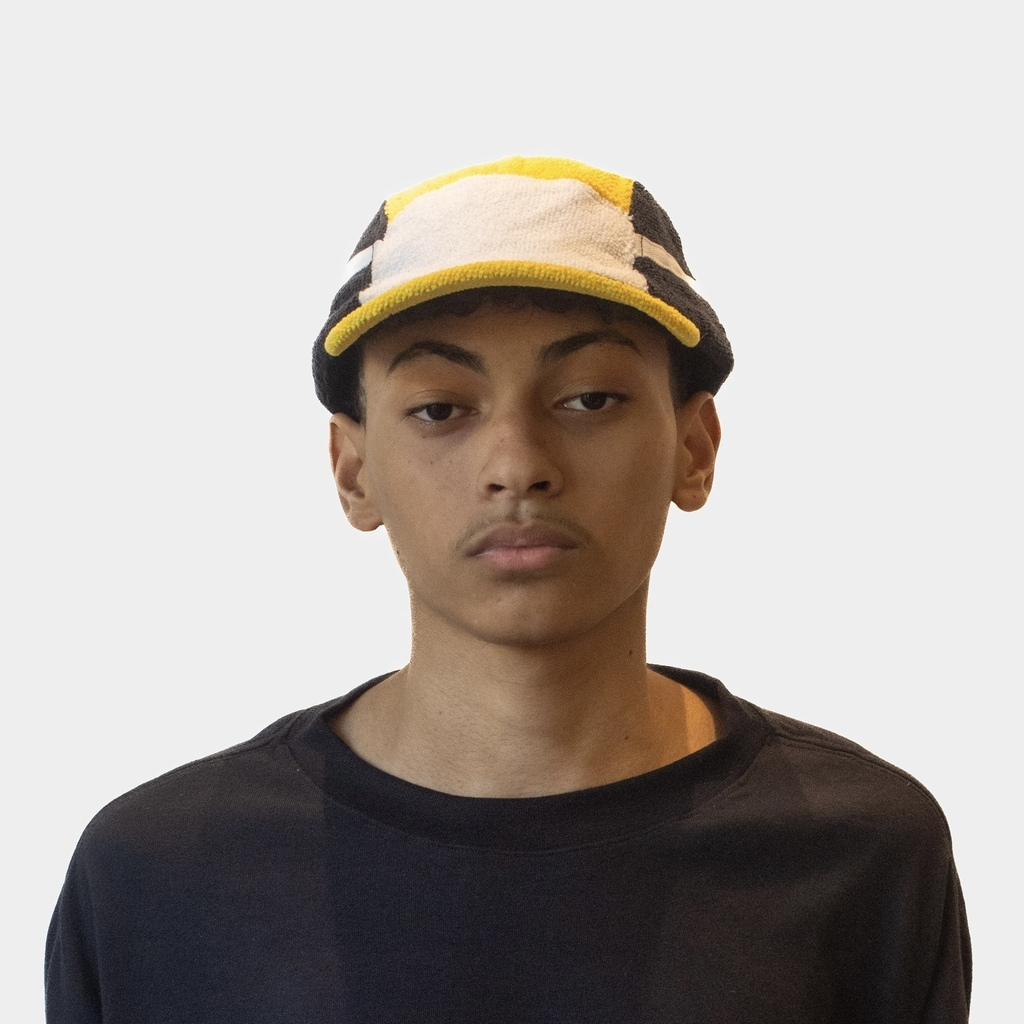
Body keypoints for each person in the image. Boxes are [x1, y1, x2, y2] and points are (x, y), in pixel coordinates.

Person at [45, 156, 971, 1023]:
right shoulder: (158, 875)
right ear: (354, 470)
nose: (518, 465)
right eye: (440, 409)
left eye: (590, 398)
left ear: (694, 448)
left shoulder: (862, 852)